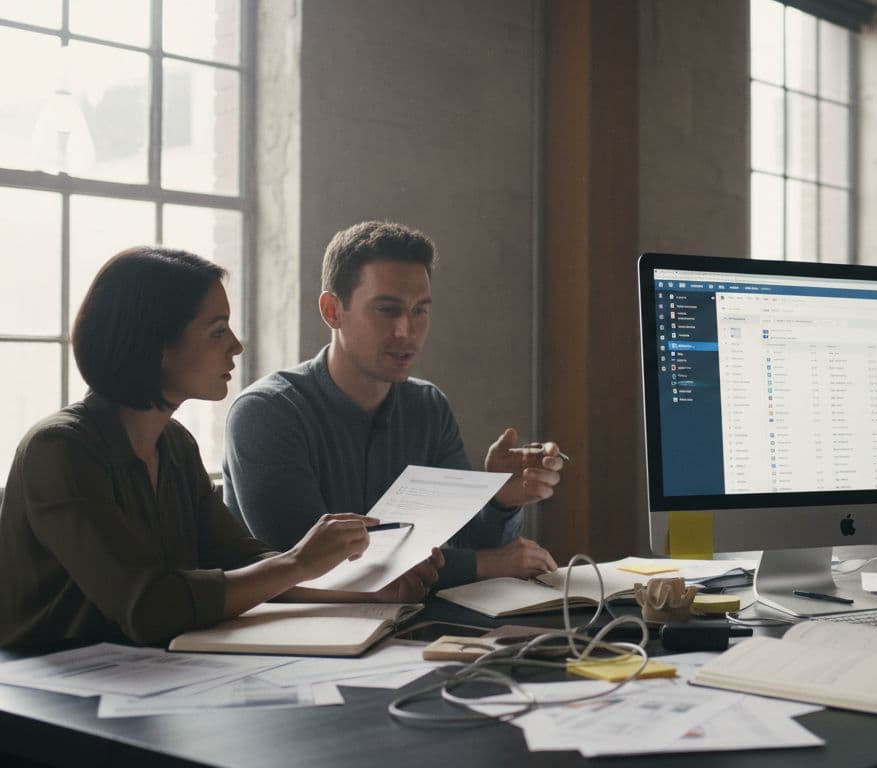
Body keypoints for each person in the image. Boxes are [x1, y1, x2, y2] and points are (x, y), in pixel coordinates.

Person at [0, 247, 443, 648]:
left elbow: (239, 560)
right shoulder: (58, 450)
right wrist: (298, 563)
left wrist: (362, 589)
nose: (236, 345)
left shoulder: (174, 443)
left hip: (146, 675)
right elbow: (149, 608)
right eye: (216, 332)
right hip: (42, 696)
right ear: (155, 345)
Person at [223, 221, 564, 588]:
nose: (406, 331)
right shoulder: (266, 413)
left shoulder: (428, 406)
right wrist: (485, 564)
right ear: (332, 310)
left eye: (420, 311)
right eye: (388, 310)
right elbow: (315, 568)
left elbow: (466, 542)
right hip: (290, 637)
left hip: (404, 628)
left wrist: (500, 499)